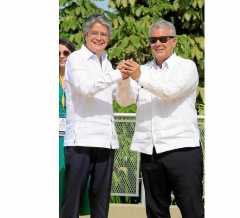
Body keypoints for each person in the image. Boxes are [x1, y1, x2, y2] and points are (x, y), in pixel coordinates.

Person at [116, 19, 204, 218]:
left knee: (192, 210)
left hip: (181, 149)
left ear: (174, 41)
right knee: (156, 213)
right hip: (150, 150)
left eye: (163, 39)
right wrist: (123, 80)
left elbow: (170, 91)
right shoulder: (143, 70)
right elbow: (124, 101)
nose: (158, 43)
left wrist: (138, 76)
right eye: (153, 40)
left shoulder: (186, 67)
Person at [61, 14, 128, 218]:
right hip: (81, 140)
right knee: (72, 202)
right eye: (95, 33)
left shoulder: (107, 63)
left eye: (104, 34)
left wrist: (127, 79)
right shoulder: (75, 59)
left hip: (106, 142)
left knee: (100, 204)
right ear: (85, 35)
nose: (99, 38)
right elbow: (86, 87)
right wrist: (118, 74)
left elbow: (124, 100)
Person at [59, 38, 75, 209]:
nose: (61, 56)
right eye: (57, 53)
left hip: (72, 138)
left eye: (66, 53)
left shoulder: (77, 79)